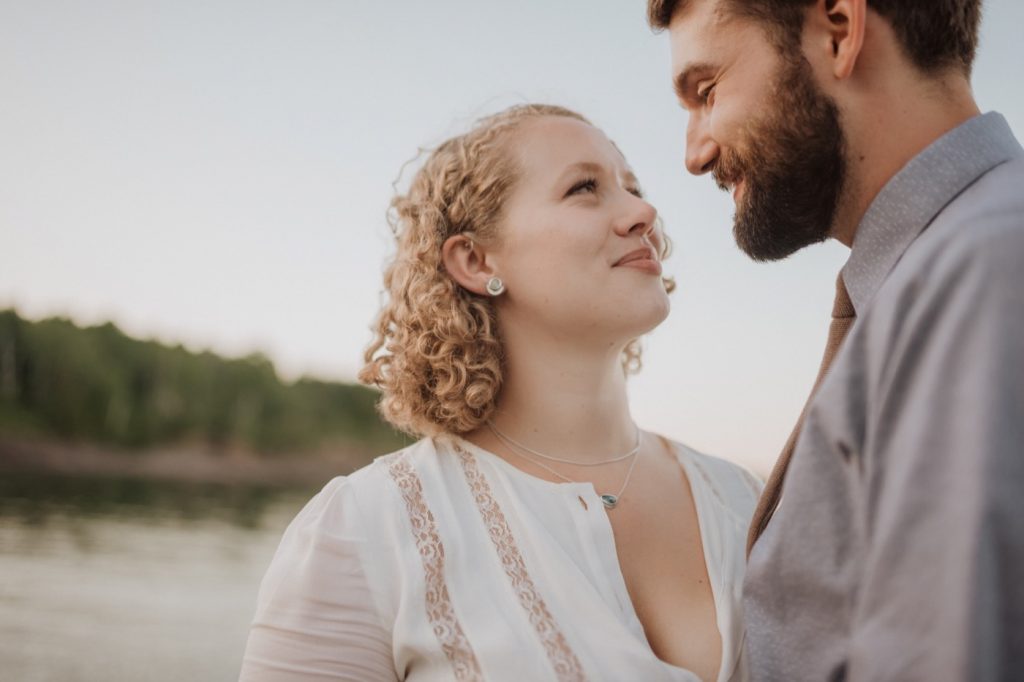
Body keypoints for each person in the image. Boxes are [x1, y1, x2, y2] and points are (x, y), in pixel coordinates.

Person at [238, 103, 762, 682]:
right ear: (474, 259)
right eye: (585, 188)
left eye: (633, 187)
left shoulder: (748, 503)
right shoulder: (368, 532)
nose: (644, 212)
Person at [647, 0, 1024, 679]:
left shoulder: (980, 271)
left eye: (706, 92)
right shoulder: (945, 271)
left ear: (839, 31)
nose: (694, 153)